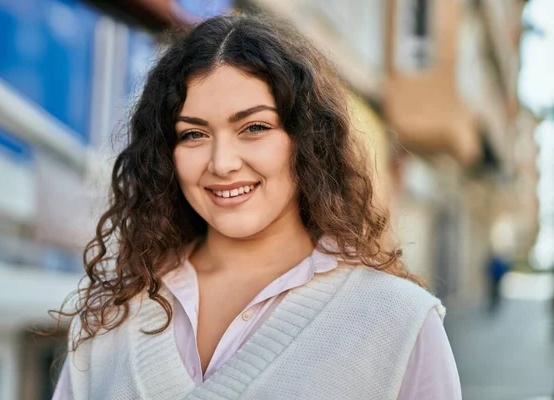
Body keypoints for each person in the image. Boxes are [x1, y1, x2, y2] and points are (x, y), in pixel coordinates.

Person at [52, 13, 461, 400]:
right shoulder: (112, 312)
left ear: (306, 140)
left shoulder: (397, 322)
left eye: (254, 128)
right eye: (193, 134)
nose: (222, 162)